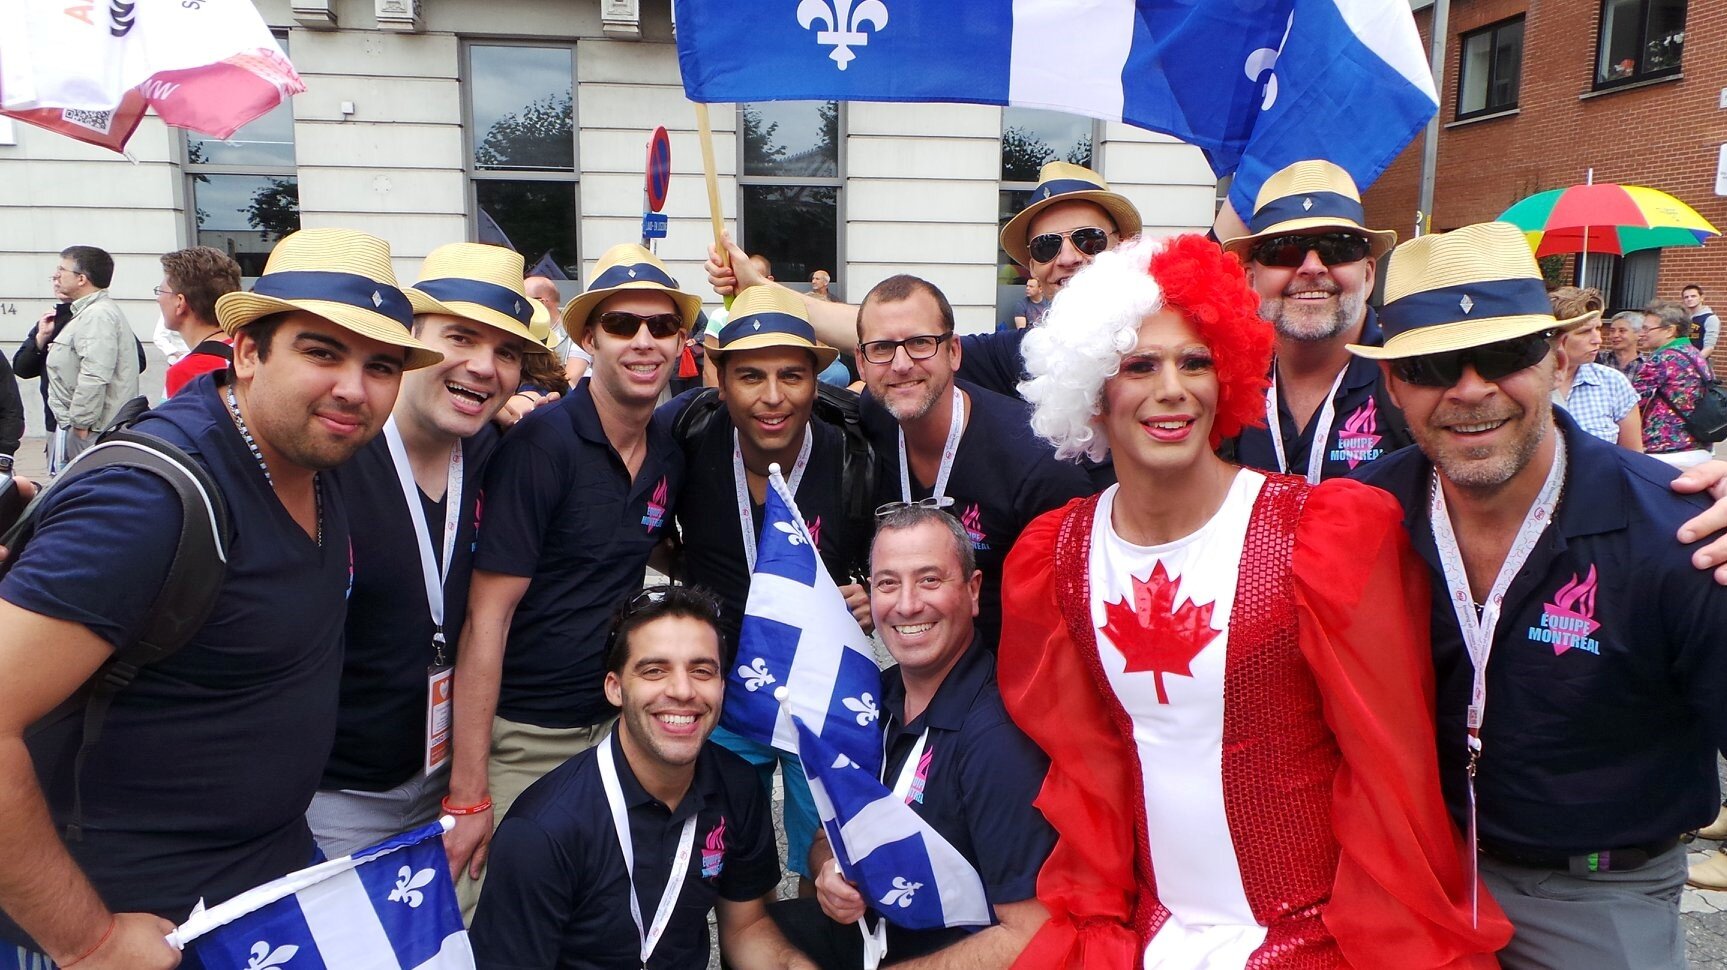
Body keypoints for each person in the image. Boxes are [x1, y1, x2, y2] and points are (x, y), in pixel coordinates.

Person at [998, 233, 1507, 969]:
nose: (1172, 387)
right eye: (1139, 365)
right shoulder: (1056, 556)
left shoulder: (1318, 533)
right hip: (1150, 936)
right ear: (1092, 393)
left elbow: (1387, 773)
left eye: (1195, 362)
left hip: (1314, 938)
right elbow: (1086, 770)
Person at [0, 227, 438, 970]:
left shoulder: (316, 455)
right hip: (131, 927)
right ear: (246, 351)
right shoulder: (149, 503)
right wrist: (87, 940)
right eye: (321, 351)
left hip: (255, 902)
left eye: (382, 365)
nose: (353, 388)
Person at [1350, 221, 1727, 970]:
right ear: (1392, 383)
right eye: (1431, 364)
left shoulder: (1679, 534)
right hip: (1407, 869)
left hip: (1592, 892)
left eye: (1501, 355)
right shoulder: (1357, 516)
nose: (1470, 389)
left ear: (1557, 360)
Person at [445, 243, 699, 916]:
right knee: (493, 929)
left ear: (681, 340)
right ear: (588, 338)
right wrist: (470, 791)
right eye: (621, 326)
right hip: (524, 739)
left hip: (612, 733)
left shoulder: (669, 451)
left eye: (661, 326)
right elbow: (486, 619)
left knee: (594, 925)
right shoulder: (541, 446)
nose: (643, 342)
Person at [309, 243, 545, 858]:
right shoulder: (334, 454)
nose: (485, 367)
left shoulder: (498, 456)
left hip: (452, 775)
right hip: (336, 796)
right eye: (460, 338)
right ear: (408, 341)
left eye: (507, 353)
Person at [470, 585, 817, 970]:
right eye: (655, 670)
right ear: (615, 689)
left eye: (702, 670)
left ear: (722, 686)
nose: (683, 690)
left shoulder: (738, 785)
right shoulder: (541, 832)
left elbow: (745, 926)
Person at [770, 506, 1053, 969]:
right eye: (887, 583)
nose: (906, 605)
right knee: (766, 936)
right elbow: (830, 831)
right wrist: (828, 869)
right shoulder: (874, 696)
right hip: (878, 933)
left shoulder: (999, 739)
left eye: (929, 580)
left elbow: (1031, 934)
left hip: (952, 951)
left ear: (974, 591)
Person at [658, 284, 875, 891]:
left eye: (792, 376)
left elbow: (895, 547)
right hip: (726, 689)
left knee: (826, 856)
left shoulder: (854, 447)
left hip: (820, 686)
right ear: (719, 378)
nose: (773, 398)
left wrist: (868, 593)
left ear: (817, 378)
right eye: (750, 376)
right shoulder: (686, 433)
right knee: (731, 858)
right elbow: (636, 518)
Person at [706, 162, 1142, 401]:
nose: (1068, 258)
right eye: (1048, 246)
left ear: (1122, 244)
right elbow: (882, 331)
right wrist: (759, 289)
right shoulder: (1019, 356)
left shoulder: (1172, 329)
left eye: (1088, 240)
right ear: (1032, 265)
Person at [854, 274, 1091, 648]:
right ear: (861, 363)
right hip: (915, 661)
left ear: (954, 352)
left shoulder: (1036, 464)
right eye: (882, 348)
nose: (900, 364)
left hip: (1007, 675)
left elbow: (1073, 621)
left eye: (920, 343)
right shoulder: (874, 414)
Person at [1220, 160, 1410, 483]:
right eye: (1284, 250)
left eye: (1337, 247)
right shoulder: (1222, 382)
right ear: (1250, 280)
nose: (1312, 267)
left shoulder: (1414, 376)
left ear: (1367, 275)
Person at [40, 246, 140, 473]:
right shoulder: (89, 313)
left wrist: (81, 424)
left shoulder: (97, 315)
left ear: (82, 279)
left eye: (62, 270)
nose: (56, 276)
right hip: (86, 427)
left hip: (92, 430)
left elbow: (95, 374)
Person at [1546, 287, 1641, 449]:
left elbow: (1634, 458)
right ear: (1555, 336)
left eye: (1598, 328)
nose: (1597, 339)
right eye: (1584, 332)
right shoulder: (1527, 382)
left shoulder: (1613, 383)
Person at [1633, 300, 1715, 467]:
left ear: (1670, 330)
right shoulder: (1695, 354)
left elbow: (1631, 402)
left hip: (1665, 449)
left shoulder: (1663, 358)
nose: (1641, 333)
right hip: (1699, 447)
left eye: (1647, 328)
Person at [157, 246, 243, 397]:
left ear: (180, 302)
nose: (158, 298)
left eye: (161, 291)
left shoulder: (186, 372)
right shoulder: (248, 351)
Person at [1598, 309, 1645, 380]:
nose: (1615, 335)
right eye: (1612, 331)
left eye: (1622, 331)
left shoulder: (1646, 366)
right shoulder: (1599, 360)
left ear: (1638, 334)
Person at [1682, 283, 1719, 355]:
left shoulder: (1710, 318)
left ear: (1701, 298)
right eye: (1686, 297)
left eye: (1693, 296)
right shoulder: (1683, 318)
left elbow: (1709, 347)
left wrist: (1695, 362)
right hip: (1681, 361)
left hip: (1699, 362)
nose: (1689, 299)